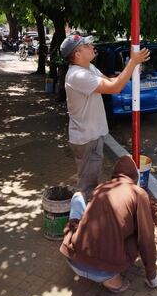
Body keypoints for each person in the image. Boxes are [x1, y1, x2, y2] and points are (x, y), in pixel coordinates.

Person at [60, 34, 150, 200]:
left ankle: (87, 214)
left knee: (92, 180)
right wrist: (132, 62)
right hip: (85, 139)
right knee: (87, 186)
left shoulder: (89, 68)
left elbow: (110, 81)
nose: (91, 45)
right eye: (86, 45)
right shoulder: (77, 75)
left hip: (94, 135)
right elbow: (114, 88)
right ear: (77, 54)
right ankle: (81, 220)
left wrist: (132, 69)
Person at [60, 155, 157, 293]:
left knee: (78, 199)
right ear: (134, 178)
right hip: (104, 272)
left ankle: (103, 274)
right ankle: (112, 281)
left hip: (74, 259)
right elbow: (146, 240)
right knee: (140, 234)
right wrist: (152, 275)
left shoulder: (102, 187)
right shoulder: (138, 193)